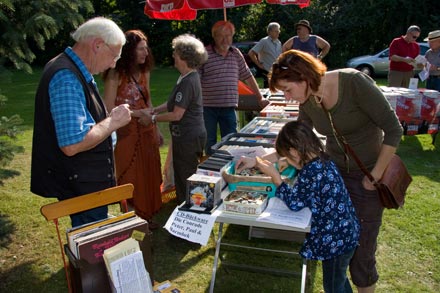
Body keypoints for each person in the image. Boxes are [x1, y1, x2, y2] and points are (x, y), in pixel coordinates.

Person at [268, 50, 403, 293]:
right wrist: (257, 159)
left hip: (369, 177)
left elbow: (394, 129)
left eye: (288, 89)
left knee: (362, 255)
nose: (287, 97)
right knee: (336, 250)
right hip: (336, 176)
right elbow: (297, 139)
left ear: (304, 78)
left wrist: (373, 177)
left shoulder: (354, 82)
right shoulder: (307, 100)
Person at [235, 121, 360, 293]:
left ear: (294, 152)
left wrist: (276, 178)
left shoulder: (310, 172)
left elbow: (294, 203)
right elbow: (281, 156)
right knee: (339, 281)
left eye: (287, 155)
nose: (285, 159)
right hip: (346, 234)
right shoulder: (322, 158)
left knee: (333, 287)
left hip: (335, 242)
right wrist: (256, 161)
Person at [30, 17, 131, 227]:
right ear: (97, 45)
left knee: (91, 243)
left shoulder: (72, 70)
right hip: (80, 184)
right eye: (114, 56)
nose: (114, 63)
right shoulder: (67, 76)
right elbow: (73, 143)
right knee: (92, 250)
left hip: (83, 181)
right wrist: (113, 122)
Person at [103, 30, 162, 228]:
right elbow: (109, 108)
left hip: (147, 131)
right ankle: (131, 219)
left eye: (146, 48)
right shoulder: (115, 74)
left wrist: (157, 127)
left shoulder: (145, 72)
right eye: (140, 49)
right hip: (126, 133)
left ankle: (148, 216)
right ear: (129, 51)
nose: (146, 53)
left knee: (149, 174)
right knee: (130, 175)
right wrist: (138, 115)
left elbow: (148, 100)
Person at [140, 34, 208, 203]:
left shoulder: (188, 81)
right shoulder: (186, 77)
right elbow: (172, 103)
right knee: (184, 171)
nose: (173, 57)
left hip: (188, 137)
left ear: (184, 57)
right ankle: (189, 204)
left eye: (175, 53)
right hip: (189, 135)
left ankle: (188, 208)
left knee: (185, 174)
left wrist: (153, 118)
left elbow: (177, 114)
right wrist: (154, 109)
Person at [199, 20, 269, 156]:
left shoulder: (236, 54)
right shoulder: (204, 54)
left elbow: (248, 77)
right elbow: (195, 80)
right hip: (207, 107)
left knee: (231, 142)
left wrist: (260, 98)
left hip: (229, 107)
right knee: (209, 142)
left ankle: (228, 170)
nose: (225, 40)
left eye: (228, 36)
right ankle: (211, 171)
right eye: (221, 36)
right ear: (214, 36)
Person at [248, 22, 282, 88]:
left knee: (277, 91)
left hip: (276, 72)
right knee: (268, 91)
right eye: (276, 31)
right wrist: (259, 65)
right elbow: (251, 53)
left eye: (278, 30)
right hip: (267, 71)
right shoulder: (264, 41)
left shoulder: (279, 42)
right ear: (269, 32)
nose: (278, 32)